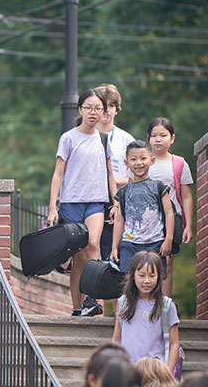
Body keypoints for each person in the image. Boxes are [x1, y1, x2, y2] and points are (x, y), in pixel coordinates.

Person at [47, 88, 117, 316]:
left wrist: (115, 202)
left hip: (96, 201)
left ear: (104, 112)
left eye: (98, 108)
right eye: (88, 108)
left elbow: (110, 173)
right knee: (78, 256)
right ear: (80, 109)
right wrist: (52, 207)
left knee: (94, 244)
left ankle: (91, 298)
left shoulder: (104, 139)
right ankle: (77, 309)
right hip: (71, 202)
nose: (93, 112)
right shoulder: (68, 138)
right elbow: (58, 174)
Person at [110, 140, 175, 275]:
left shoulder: (159, 187)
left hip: (155, 242)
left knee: (154, 279)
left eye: (143, 158)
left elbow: (169, 213)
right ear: (126, 163)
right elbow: (119, 220)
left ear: (152, 160)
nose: (138, 163)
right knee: (128, 280)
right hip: (129, 244)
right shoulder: (123, 192)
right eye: (133, 159)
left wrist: (168, 239)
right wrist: (114, 247)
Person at [147, 117, 194, 297]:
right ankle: (146, 302)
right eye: (154, 135)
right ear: (148, 139)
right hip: (146, 219)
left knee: (166, 261)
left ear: (172, 138)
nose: (158, 139)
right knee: (144, 261)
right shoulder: (143, 161)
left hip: (172, 219)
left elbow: (187, 196)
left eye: (163, 135)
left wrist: (188, 225)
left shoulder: (179, 163)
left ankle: (164, 304)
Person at [112, 251, 180, 373]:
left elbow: (174, 343)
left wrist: (168, 374)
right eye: (142, 275)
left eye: (152, 275)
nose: (147, 281)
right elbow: (117, 338)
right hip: (127, 371)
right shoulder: (123, 303)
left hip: (154, 373)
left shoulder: (167, 306)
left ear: (159, 276)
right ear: (133, 276)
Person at [95, 84, 135, 262]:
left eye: (111, 106)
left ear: (117, 109)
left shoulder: (126, 139)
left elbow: (137, 175)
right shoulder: (87, 136)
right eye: (102, 106)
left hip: (120, 203)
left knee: (118, 251)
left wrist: (116, 181)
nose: (106, 111)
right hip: (94, 200)